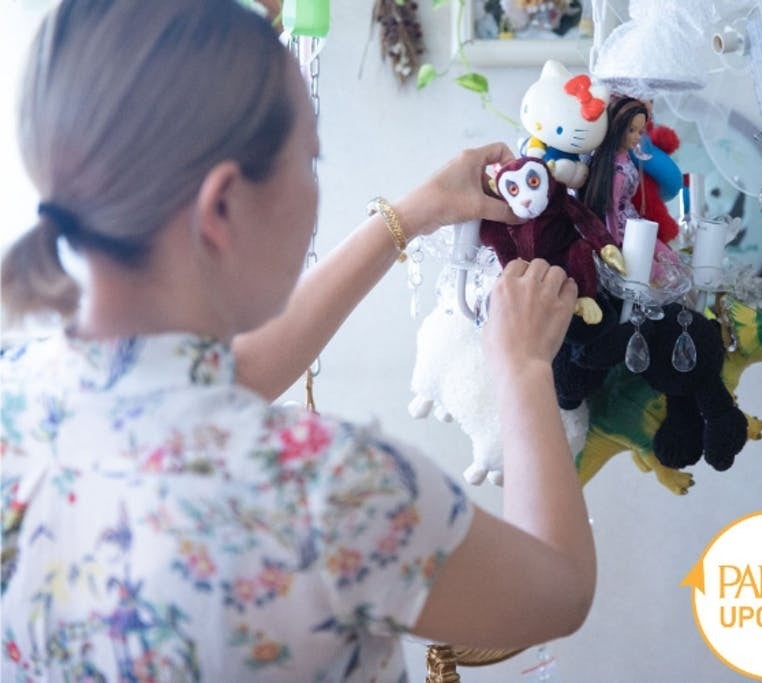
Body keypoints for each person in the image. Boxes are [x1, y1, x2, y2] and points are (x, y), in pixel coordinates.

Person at [0, 2, 596, 681]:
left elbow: (226, 378)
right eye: (311, 159)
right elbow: (558, 589)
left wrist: (412, 214)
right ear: (224, 205)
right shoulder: (329, 492)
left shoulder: (18, 396)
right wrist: (522, 367)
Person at [579, 96, 680, 285]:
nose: (637, 137)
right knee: (652, 270)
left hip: (634, 221)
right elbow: (611, 209)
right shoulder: (615, 170)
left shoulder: (627, 159)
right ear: (618, 128)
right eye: (631, 130)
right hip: (622, 230)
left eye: (640, 131)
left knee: (670, 258)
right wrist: (614, 242)